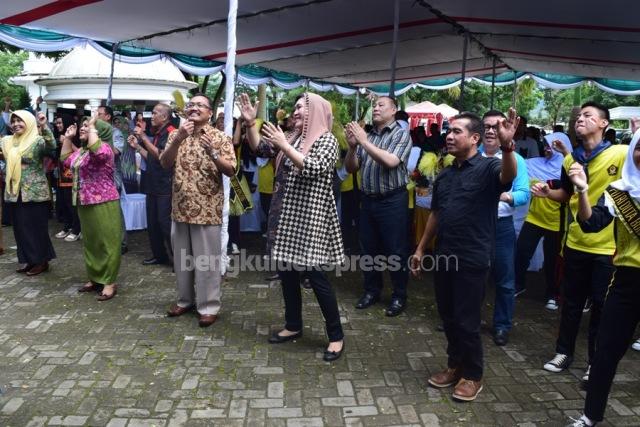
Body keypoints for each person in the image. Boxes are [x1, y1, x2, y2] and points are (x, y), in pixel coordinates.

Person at [410, 109, 518, 402]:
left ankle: (473, 374)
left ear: (474, 138)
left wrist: (508, 147)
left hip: (473, 257)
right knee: (447, 316)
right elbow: (436, 213)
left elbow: (508, 178)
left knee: (467, 320)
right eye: (449, 131)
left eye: (457, 131)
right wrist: (421, 249)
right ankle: (455, 365)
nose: (449, 135)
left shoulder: (488, 168)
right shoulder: (445, 175)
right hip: (445, 256)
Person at [239, 92, 346, 361]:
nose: (295, 111)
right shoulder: (294, 137)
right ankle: (293, 325)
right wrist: (251, 123)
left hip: (310, 219)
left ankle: (336, 336)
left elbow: (313, 167)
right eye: (295, 107)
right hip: (285, 217)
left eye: (301, 107)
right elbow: (261, 149)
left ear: (317, 112)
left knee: (317, 278)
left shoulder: (327, 140)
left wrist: (284, 146)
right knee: (287, 274)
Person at [532, 102, 627, 382]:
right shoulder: (569, 160)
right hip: (575, 243)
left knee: (601, 307)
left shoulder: (620, 154)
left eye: (588, 116)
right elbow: (566, 194)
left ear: (604, 124)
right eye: (579, 116)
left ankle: (595, 363)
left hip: (608, 247)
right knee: (570, 303)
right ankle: (564, 352)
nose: (580, 119)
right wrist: (547, 194)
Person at [564, 129, 640, 427]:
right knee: (605, 352)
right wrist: (582, 190)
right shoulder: (619, 191)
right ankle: (590, 416)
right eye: (639, 147)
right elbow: (591, 223)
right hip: (625, 282)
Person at [160, 93, 236, 328]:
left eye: (200, 105)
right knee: (182, 260)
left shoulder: (221, 137)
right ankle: (184, 301)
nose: (194, 108)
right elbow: (164, 162)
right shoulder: (176, 134)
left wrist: (213, 152)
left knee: (206, 262)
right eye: (191, 105)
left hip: (207, 210)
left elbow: (232, 169)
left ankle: (209, 306)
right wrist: (178, 139)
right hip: (180, 209)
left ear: (210, 113)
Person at [344, 96, 413, 317]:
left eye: (381, 105)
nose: (375, 108)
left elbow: (391, 162)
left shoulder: (401, 135)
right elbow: (351, 168)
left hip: (393, 201)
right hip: (368, 200)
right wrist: (353, 148)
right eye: (374, 105)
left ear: (394, 110)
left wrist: (363, 141)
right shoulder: (369, 135)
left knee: (395, 250)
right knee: (368, 249)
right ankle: (371, 291)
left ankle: (399, 295)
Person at [482, 110, 530, 346]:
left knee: (505, 280)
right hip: (476, 226)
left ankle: (501, 325)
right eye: (486, 127)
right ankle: (466, 318)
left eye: (496, 126)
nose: (491, 131)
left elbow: (523, 194)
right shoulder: (472, 156)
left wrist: (502, 196)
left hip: (501, 226)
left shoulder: (515, 160)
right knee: (471, 275)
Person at [61, 115, 122, 301]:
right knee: (91, 243)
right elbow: (65, 160)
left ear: (99, 131)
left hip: (104, 202)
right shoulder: (82, 152)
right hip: (84, 202)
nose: (82, 128)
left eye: (87, 126)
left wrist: (93, 126)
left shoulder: (105, 148)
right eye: (83, 126)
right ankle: (95, 277)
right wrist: (68, 139)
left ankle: (109, 282)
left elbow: (99, 152)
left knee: (108, 243)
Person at [515, 132, 572, 309]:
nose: (546, 149)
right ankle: (518, 284)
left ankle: (552, 294)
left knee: (552, 260)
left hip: (556, 222)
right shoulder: (533, 164)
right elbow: (515, 162)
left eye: (551, 146)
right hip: (534, 217)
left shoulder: (569, 168)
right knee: (522, 252)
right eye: (545, 145)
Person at [0, 110, 56, 275]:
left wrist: (44, 125)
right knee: (20, 228)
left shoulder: (37, 141)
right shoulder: (8, 142)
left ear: (29, 122)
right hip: (15, 191)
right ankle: (28, 259)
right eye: (14, 121)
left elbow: (52, 146)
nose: (16, 124)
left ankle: (41, 261)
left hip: (34, 192)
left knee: (36, 228)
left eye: (20, 121)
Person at [128, 103, 174, 266]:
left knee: (164, 222)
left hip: (165, 185)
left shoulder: (171, 133)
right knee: (152, 223)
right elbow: (152, 157)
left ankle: (177, 259)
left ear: (165, 117)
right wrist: (138, 147)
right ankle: (159, 256)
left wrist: (144, 138)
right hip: (152, 184)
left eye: (155, 113)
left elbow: (162, 157)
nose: (152, 116)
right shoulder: (157, 133)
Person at [97, 105, 128, 255]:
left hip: (112, 177)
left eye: (100, 114)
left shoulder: (115, 133)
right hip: (97, 178)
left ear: (108, 117)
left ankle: (121, 242)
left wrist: (103, 140)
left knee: (115, 210)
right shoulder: (94, 133)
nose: (96, 116)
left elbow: (116, 152)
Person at [53, 114, 82, 242]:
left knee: (73, 204)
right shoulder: (59, 137)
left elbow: (81, 153)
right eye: (57, 123)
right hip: (62, 176)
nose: (58, 125)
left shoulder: (76, 138)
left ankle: (77, 229)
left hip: (74, 177)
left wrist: (68, 140)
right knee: (64, 202)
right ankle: (67, 226)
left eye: (60, 123)